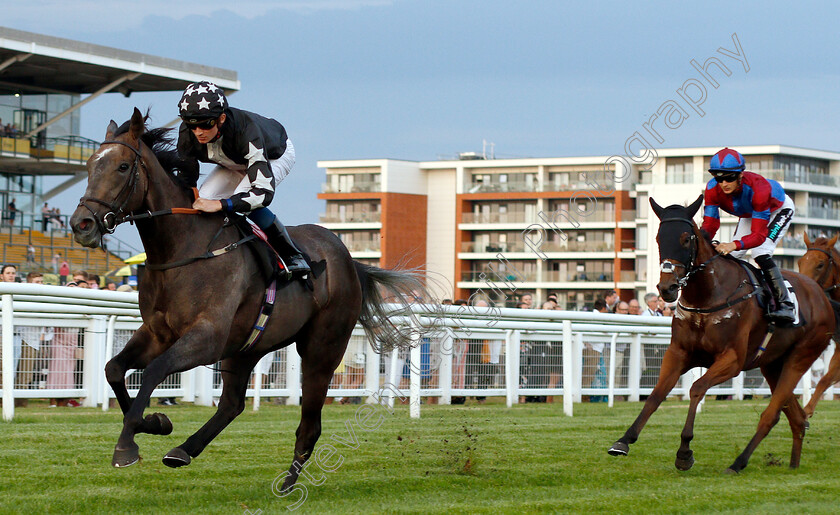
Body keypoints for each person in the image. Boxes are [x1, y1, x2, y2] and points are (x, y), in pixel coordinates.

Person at [175, 81, 310, 278]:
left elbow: (262, 193)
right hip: (234, 160)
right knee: (201, 200)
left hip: (273, 155)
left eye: (206, 124)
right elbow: (187, 181)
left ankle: (292, 255)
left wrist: (222, 204)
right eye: (191, 125)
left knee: (240, 203)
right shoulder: (188, 134)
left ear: (221, 118)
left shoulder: (246, 131)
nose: (198, 132)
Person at [701, 147, 796, 323]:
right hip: (751, 213)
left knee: (760, 252)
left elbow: (759, 236)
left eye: (729, 178)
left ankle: (785, 305)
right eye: (719, 178)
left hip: (778, 210)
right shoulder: (712, 189)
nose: (724, 184)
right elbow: (710, 224)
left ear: (740, 175)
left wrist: (732, 244)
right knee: (733, 255)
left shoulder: (759, 189)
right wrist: (700, 241)